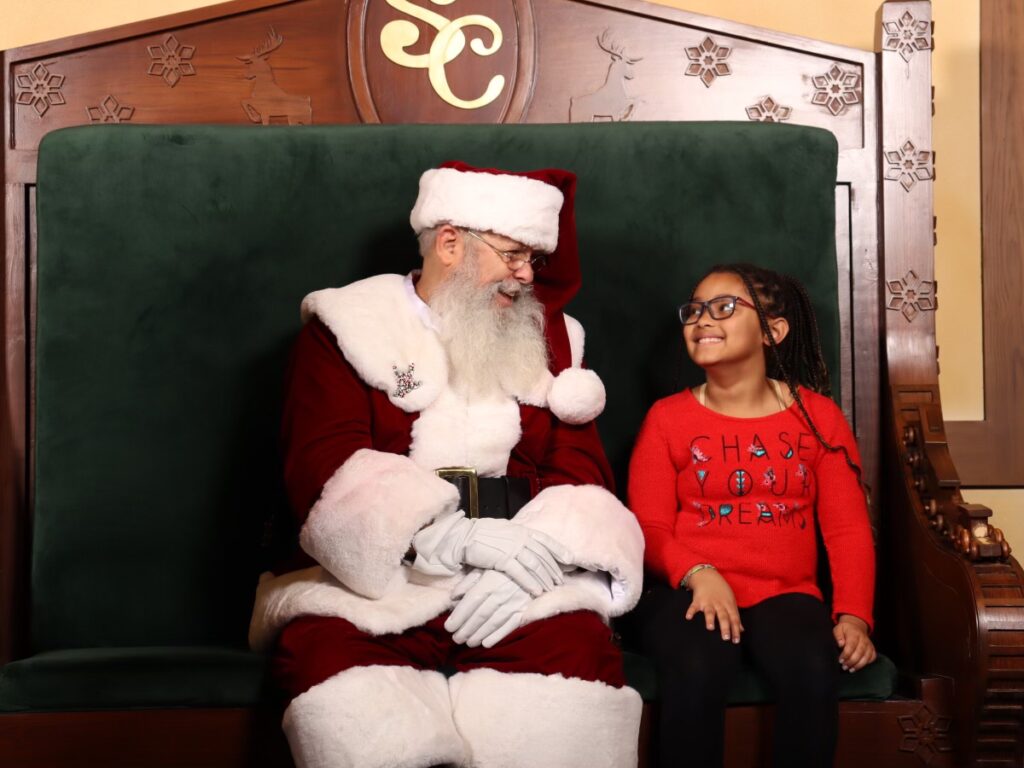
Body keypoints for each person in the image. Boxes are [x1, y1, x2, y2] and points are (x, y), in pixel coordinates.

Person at [248, 161, 644, 768]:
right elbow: (321, 466)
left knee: (577, 655)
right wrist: (447, 537)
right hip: (380, 582)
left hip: (517, 579)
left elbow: (582, 471)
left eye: (534, 259)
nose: (527, 274)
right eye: (514, 255)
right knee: (329, 662)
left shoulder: (555, 337)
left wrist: (536, 562)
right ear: (451, 243)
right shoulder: (346, 326)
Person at [627, 263, 876, 768]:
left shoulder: (819, 418)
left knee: (812, 666)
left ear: (771, 331)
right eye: (694, 310)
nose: (702, 319)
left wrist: (854, 616)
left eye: (724, 308)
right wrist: (700, 573)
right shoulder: (667, 419)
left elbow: (848, 529)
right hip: (686, 594)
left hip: (786, 594)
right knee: (700, 662)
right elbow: (647, 529)